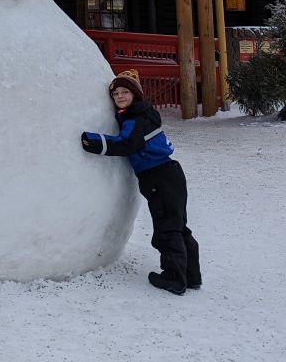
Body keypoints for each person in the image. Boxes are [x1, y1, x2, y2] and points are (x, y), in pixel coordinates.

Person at [80, 69, 201, 295]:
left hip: (158, 176)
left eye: (125, 92)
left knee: (166, 227)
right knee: (177, 225)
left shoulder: (136, 119)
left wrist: (94, 142)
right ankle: (192, 275)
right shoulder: (144, 115)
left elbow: (128, 145)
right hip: (170, 173)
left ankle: (175, 277)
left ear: (136, 94)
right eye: (116, 94)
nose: (120, 97)